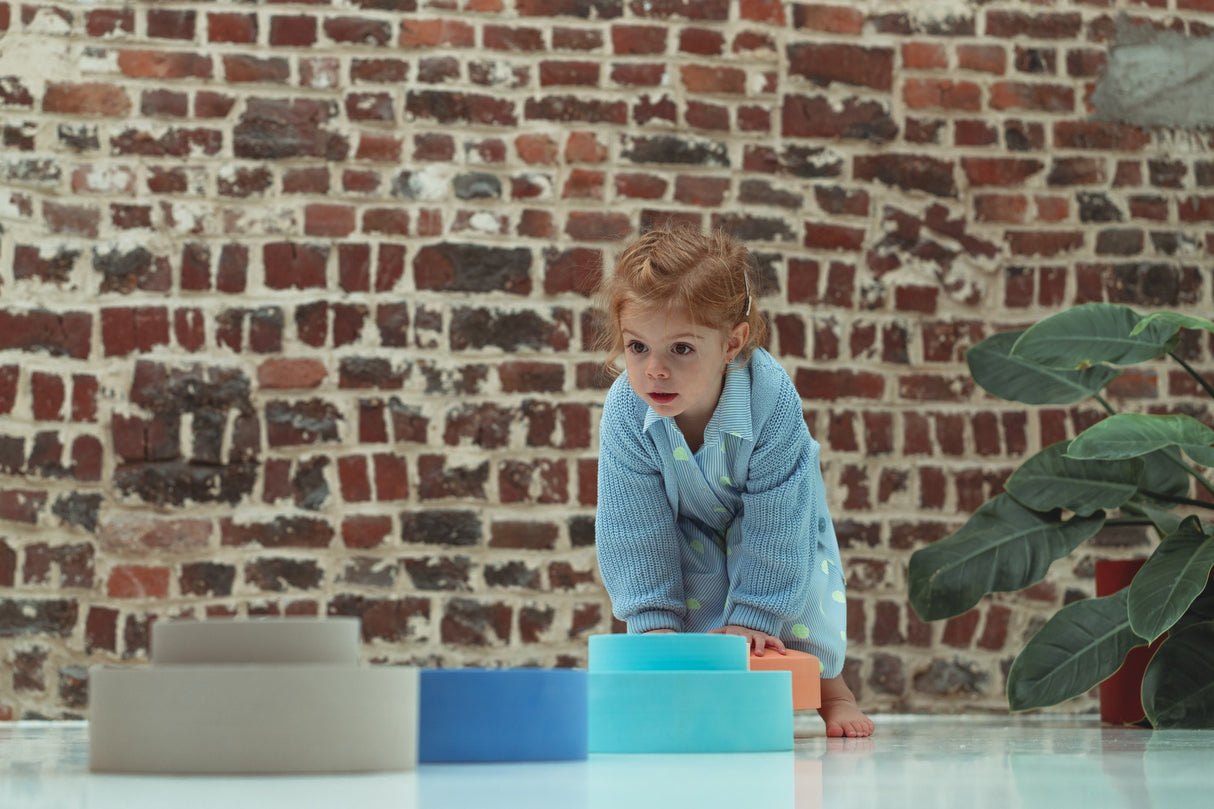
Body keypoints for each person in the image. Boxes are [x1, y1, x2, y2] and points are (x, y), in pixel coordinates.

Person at [592, 225, 874, 738]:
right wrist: (653, 623)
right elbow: (632, 527)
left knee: (803, 601)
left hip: (777, 519)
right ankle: (694, 693)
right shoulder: (624, 414)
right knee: (694, 609)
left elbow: (778, 516)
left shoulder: (771, 399)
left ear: (731, 343)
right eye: (637, 347)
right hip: (685, 524)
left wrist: (756, 616)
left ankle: (833, 690)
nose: (654, 370)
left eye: (681, 349)